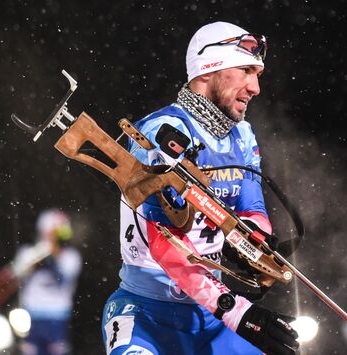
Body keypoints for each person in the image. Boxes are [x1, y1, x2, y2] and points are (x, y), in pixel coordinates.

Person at [101, 22, 299, 355]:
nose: (255, 88)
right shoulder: (161, 132)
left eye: (258, 75)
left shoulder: (243, 135)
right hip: (149, 315)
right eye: (246, 71)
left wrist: (252, 246)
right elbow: (163, 242)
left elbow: (253, 208)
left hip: (208, 316)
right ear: (209, 70)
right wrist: (237, 311)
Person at [14, 209, 82, 355]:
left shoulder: (71, 256)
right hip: (32, 315)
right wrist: (37, 258)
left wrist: (52, 257)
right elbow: (18, 272)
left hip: (57, 316)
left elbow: (64, 277)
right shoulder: (28, 252)